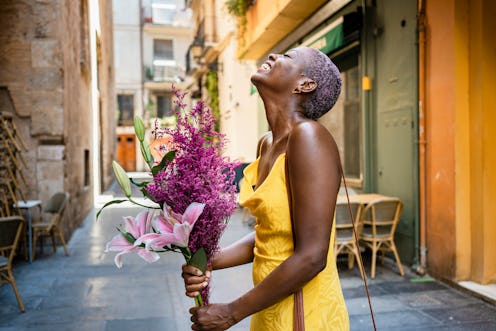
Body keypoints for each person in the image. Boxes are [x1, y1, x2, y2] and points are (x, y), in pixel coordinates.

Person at [182, 46, 349, 330]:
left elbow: (312, 256)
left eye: (288, 57)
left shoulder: (309, 137)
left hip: (306, 315)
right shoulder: (267, 143)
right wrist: (211, 260)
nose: (272, 56)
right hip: (268, 308)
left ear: (305, 85)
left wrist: (232, 312)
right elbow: (270, 235)